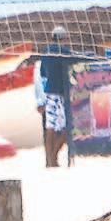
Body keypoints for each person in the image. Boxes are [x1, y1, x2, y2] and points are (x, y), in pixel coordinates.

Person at [36, 26, 75, 168]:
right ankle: (53, 157)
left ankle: (49, 162)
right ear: (63, 38)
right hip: (62, 93)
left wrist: (40, 100)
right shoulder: (64, 53)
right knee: (68, 127)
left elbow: (43, 75)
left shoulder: (45, 53)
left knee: (50, 127)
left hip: (49, 93)